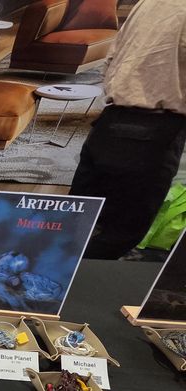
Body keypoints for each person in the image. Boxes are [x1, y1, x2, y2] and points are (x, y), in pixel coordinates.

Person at [70, 0, 186, 259]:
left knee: (77, 218)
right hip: (155, 129)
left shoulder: (149, 3)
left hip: (110, 122)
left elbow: (112, 56)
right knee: (122, 231)